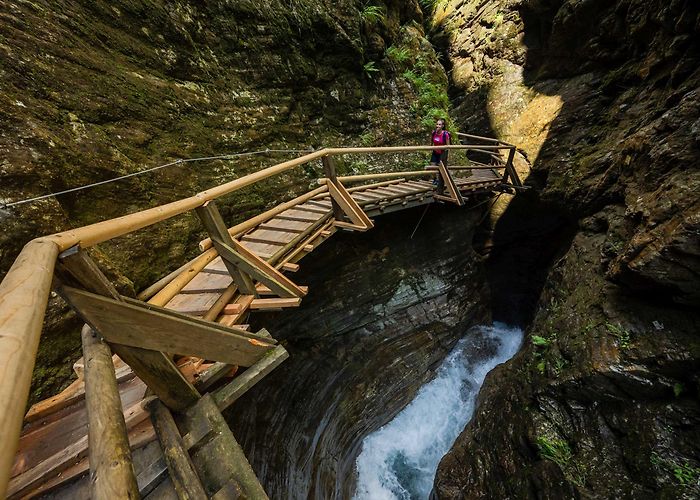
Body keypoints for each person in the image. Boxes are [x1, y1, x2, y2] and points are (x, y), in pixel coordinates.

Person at [429, 118, 451, 192]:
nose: (437, 126)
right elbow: (432, 142)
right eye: (437, 124)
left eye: (439, 124)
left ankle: (440, 181)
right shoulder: (434, 133)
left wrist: (447, 155)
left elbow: (448, 146)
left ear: (442, 126)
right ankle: (435, 179)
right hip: (435, 152)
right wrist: (431, 147)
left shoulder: (445, 134)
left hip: (442, 153)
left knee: (441, 168)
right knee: (432, 166)